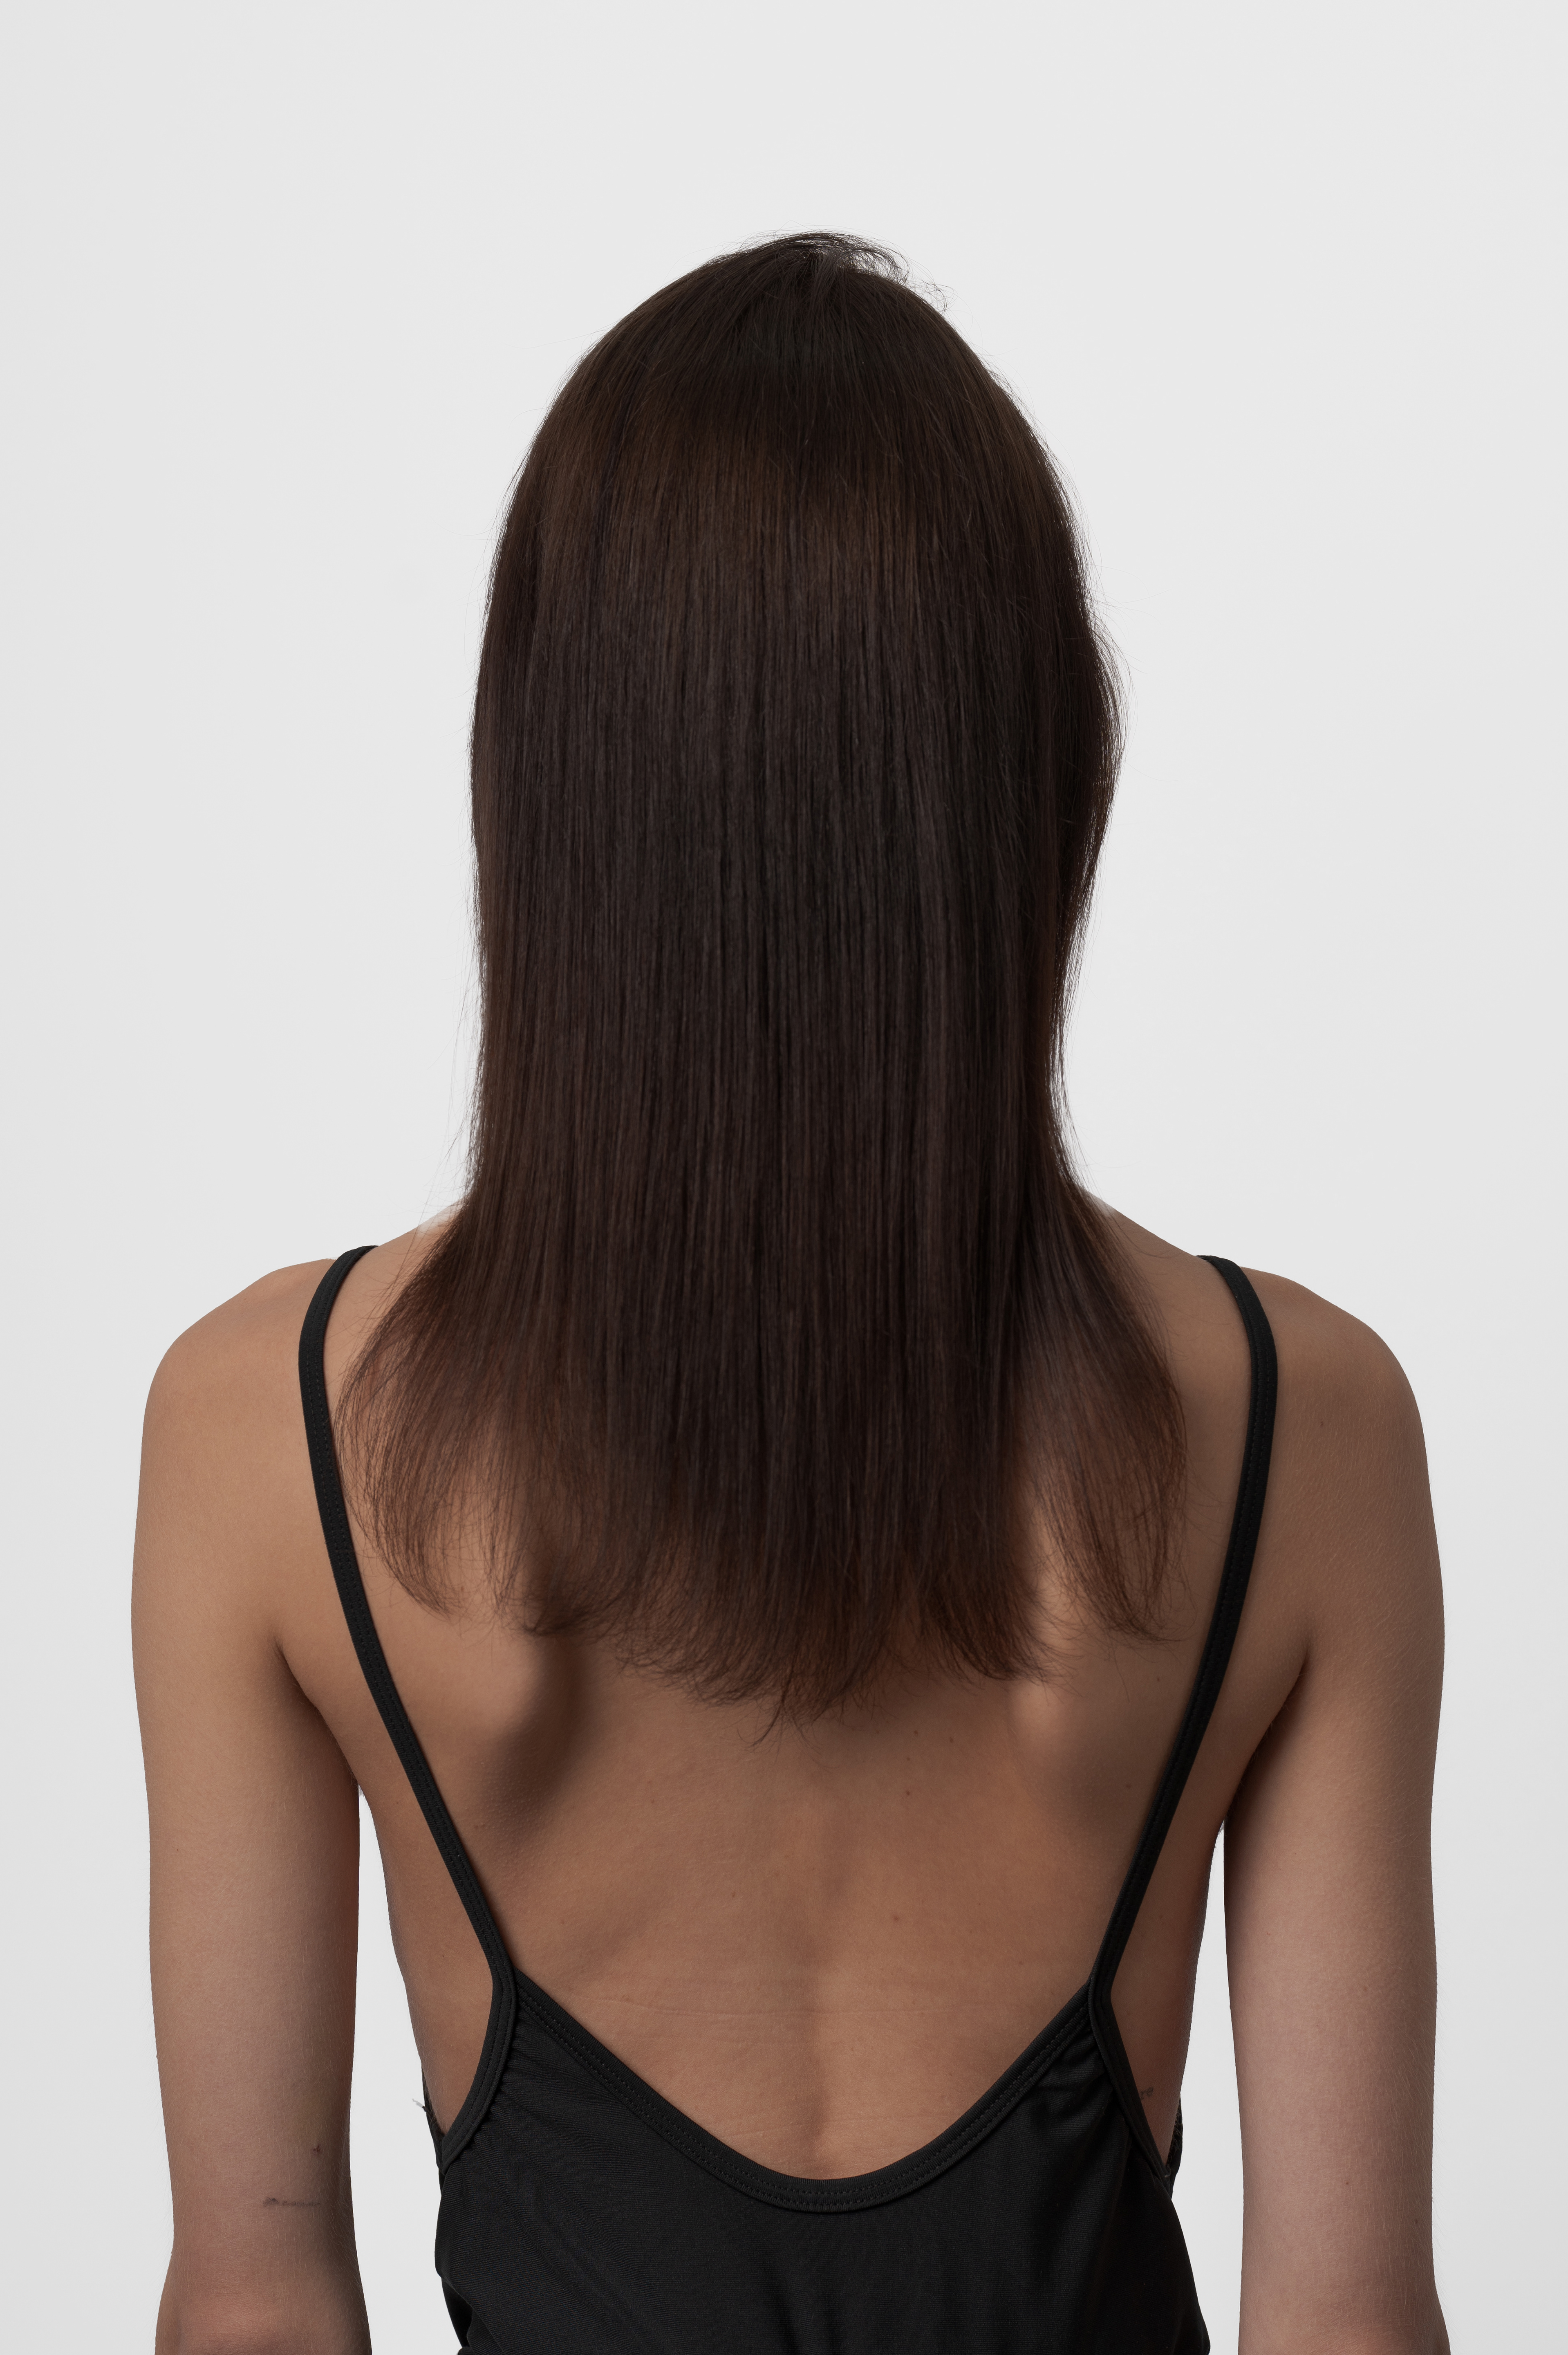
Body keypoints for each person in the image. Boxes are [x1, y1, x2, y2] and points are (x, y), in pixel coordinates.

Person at [133, 234, 1448, 2355]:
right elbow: (1351, 2331)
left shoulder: (267, 1434)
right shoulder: (1304, 1430)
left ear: (542, 793)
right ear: (1043, 784)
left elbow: (254, 2313)